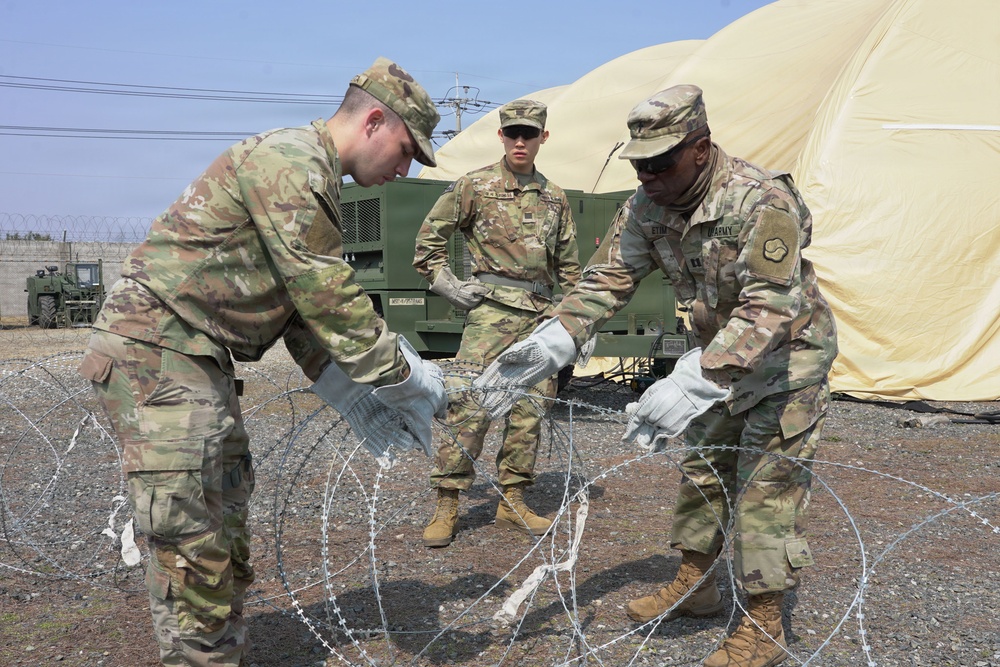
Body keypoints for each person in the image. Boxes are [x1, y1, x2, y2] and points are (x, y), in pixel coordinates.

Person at [77, 57, 447, 667]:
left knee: (223, 522)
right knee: (192, 541)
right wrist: (403, 378)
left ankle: (223, 652)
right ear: (375, 121)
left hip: (194, 356)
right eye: (406, 150)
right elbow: (324, 290)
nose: (404, 169)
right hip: (160, 351)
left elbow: (299, 311)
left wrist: (349, 390)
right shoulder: (293, 163)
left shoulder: (314, 176)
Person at [475, 84, 838, 667]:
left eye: (660, 162)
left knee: (764, 492)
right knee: (702, 471)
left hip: (782, 364)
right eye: (639, 163)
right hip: (713, 359)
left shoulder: (760, 200)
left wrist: (696, 379)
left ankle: (764, 626)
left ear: (700, 147)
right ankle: (696, 586)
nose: (647, 175)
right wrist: (553, 340)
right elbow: (607, 279)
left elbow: (770, 305)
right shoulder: (647, 204)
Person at [413, 99, 581, 548]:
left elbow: (568, 268)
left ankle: (513, 501)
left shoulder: (555, 197)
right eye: (513, 133)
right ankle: (447, 502)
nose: (520, 141)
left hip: (541, 317)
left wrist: (574, 322)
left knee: (530, 410)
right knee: (470, 403)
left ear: (543, 137)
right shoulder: (475, 186)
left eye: (529, 133)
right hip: (491, 313)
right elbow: (428, 241)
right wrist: (446, 284)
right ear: (502, 137)